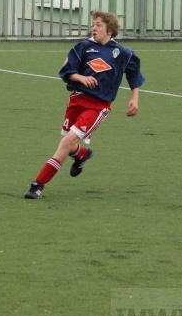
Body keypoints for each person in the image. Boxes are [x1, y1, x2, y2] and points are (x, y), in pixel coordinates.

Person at [24, 10, 145, 200]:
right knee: (67, 144)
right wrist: (81, 77)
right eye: (93, 24)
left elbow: (134, 75)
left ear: (110, 30)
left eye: (99, 25)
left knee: (66, 142)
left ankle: (37, 185)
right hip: (77, 100)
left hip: (98, 106)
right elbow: (67, 71)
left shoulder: (122, 53)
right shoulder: (83, 47)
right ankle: (81, 154)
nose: (94, 28)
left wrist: (134, 98)